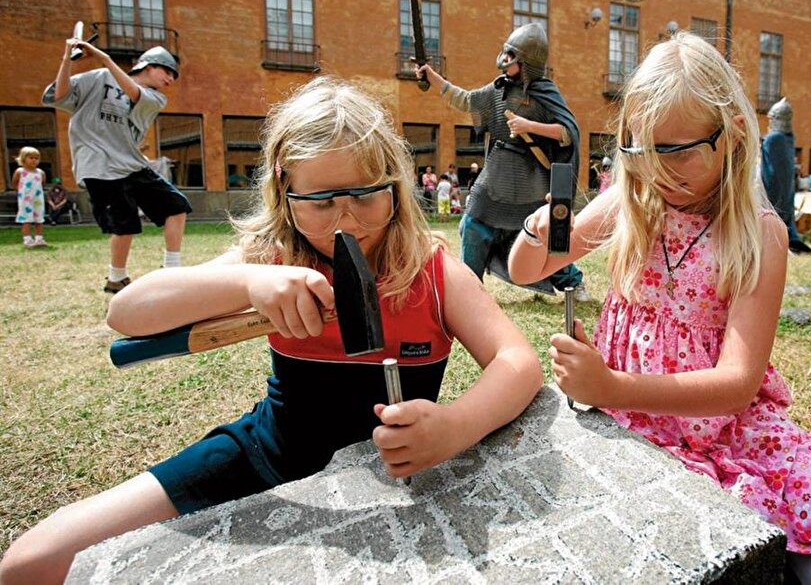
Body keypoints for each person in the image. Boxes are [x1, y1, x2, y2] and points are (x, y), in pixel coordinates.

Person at [0, 77, 543, 583]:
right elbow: (127, 314)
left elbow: (518, 361)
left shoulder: (432, 269)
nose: (345, 220)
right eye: (321, 200)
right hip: (268, 451)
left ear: (396, 188)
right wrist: (248, 281)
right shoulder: (269, 257)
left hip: (397, 468)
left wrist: (455, 426)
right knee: (33, 560)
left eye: (364, 194)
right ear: (285, 190)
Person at [508, 32, 811, 584]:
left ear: (732, 133)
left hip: (728, 430)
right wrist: (542, 224)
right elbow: (526, 268)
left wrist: (611, 386)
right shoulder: (632, 200)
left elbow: (739, 383)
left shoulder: (759, 235)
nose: (661, 171)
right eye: (644, 151)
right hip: (628, 422)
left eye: (680, 150)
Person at [416, 23, 591, 301]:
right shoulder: (497, 90)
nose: (504, 59)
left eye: (511, 55)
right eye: (506, 52)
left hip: (529, 180)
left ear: (526, 63)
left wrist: (529, 125)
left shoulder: (544, 92)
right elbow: (465, 99)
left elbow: (568, 133)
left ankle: (573, 281)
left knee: (539, 237)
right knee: (474, 223)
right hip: (495, 175)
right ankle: (469, 289)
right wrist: (433, 77)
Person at [41, 40, 192, 293]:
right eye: (167, 71)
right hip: (99, 165)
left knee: (177, 206)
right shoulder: (97, 78)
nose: (170, 79)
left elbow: (133, 93)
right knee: (125, 224)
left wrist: (104, 58)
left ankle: (172, 270)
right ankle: (116, 278)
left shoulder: (156, 98)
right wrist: (66, 58)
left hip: (131, 164)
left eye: (173, 76)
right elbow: (59, 97)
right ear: (148, 65)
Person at [761, 97, 811, 255]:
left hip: (774, 181)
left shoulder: (774, 138)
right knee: (785, 206)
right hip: (786, 181)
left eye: (771, 119)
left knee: (777, 206)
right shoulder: (789, 138)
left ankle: (782, 239)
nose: (769, 122)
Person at [11, 146, 47, 247]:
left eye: (36, 158)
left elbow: (42, 184)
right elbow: (15, 183)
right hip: (25, 201)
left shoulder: (40, 173)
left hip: (37, 200)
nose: (34, 160)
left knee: (39, 219)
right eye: (31, 158)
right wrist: (22, 192)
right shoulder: (20, 172)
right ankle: (27, 239)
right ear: (23, 158)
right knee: (27, 219)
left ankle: (39, 238)